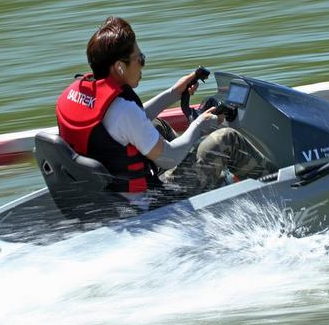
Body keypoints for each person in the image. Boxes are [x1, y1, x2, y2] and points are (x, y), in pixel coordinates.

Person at [55, 16, 275, 209]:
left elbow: (123, 125)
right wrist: (198, 127)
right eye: (140, 59)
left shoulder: (78, 96)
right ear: (120, 67)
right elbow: (169, 158)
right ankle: (281, 188)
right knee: (226, 139)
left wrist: (173, 93)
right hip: (151, 205)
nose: (142, 65)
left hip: (111, 199)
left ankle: (220, 179)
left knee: (158, 125)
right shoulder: (124, 112)